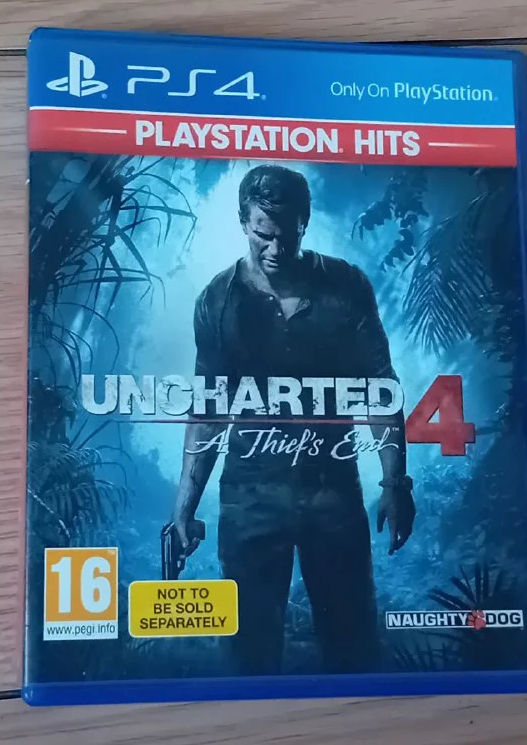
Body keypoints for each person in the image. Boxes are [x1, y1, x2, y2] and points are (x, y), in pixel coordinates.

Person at [172, 164, 415, 676]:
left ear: (304, 222)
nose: (276, 248)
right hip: (250, 500)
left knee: (352, 647)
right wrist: (184, 509)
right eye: (263, 234)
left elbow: (380, 387)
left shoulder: (345, 286)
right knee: (248, 655)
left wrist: (396, 484)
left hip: (334, 493)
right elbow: (208, 410)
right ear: (244, 223)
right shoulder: (217, 301)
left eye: (287, 234)